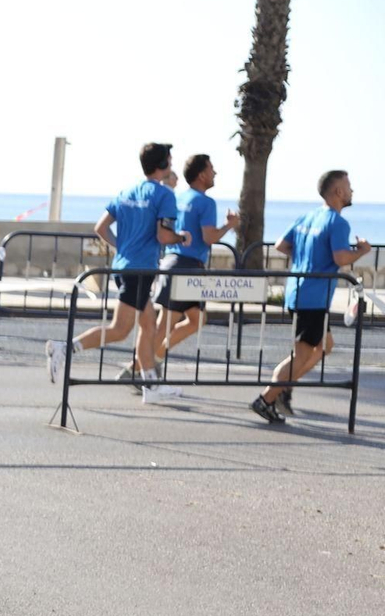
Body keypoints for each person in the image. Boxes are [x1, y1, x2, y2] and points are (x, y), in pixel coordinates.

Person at [46, 142, 192, 403]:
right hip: (141, 269)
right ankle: (63, 348)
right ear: (163, 164)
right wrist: (182, 238)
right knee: (120, 329)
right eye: (169, 159)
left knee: (148, 325)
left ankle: (150, 385)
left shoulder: (127, 191)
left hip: (123, 266)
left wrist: (122, 246)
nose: (171, 163)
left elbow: (100, 227)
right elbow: (163, 234)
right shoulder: (164, 194)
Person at [250, 170, 372, 424]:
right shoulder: (337, 222)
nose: (351, 191)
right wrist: (361, 251)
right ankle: (267, 398)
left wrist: (309, 256)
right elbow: (340, 258)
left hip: (297, 290)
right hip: (313, 297)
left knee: (325, 346)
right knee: (302, 354)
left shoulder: (307, 216)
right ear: (338, 192)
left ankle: (284, 389)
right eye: (348, 186)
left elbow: (281, 246)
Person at [142, 154, 239, 380]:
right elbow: (209, 237)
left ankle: (153, 359)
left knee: (196, 320)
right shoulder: (205, 202)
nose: (215, 173)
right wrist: (229, 225)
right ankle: (138, 368)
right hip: (186, 266)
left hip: (175, 262)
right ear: (202, 174)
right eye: (212, 168)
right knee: (166, 323)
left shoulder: (179, 198)